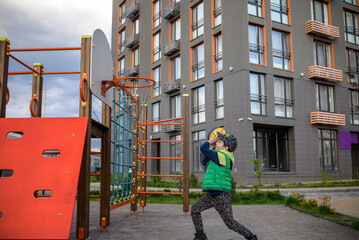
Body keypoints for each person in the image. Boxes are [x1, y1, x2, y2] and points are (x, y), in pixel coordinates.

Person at [190, 132, 258, 240]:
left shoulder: (222, 156)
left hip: (221, 195)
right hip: (212, 194)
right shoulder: (219, 155)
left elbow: (203, 149)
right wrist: (213, 148)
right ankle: (200, 235)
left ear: (226, 147)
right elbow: (204, 161)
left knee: (230, 223)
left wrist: (209, 142)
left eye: (219, 142)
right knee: (194, 209)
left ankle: (251, 237)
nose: (216, 142)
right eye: (216, 141)